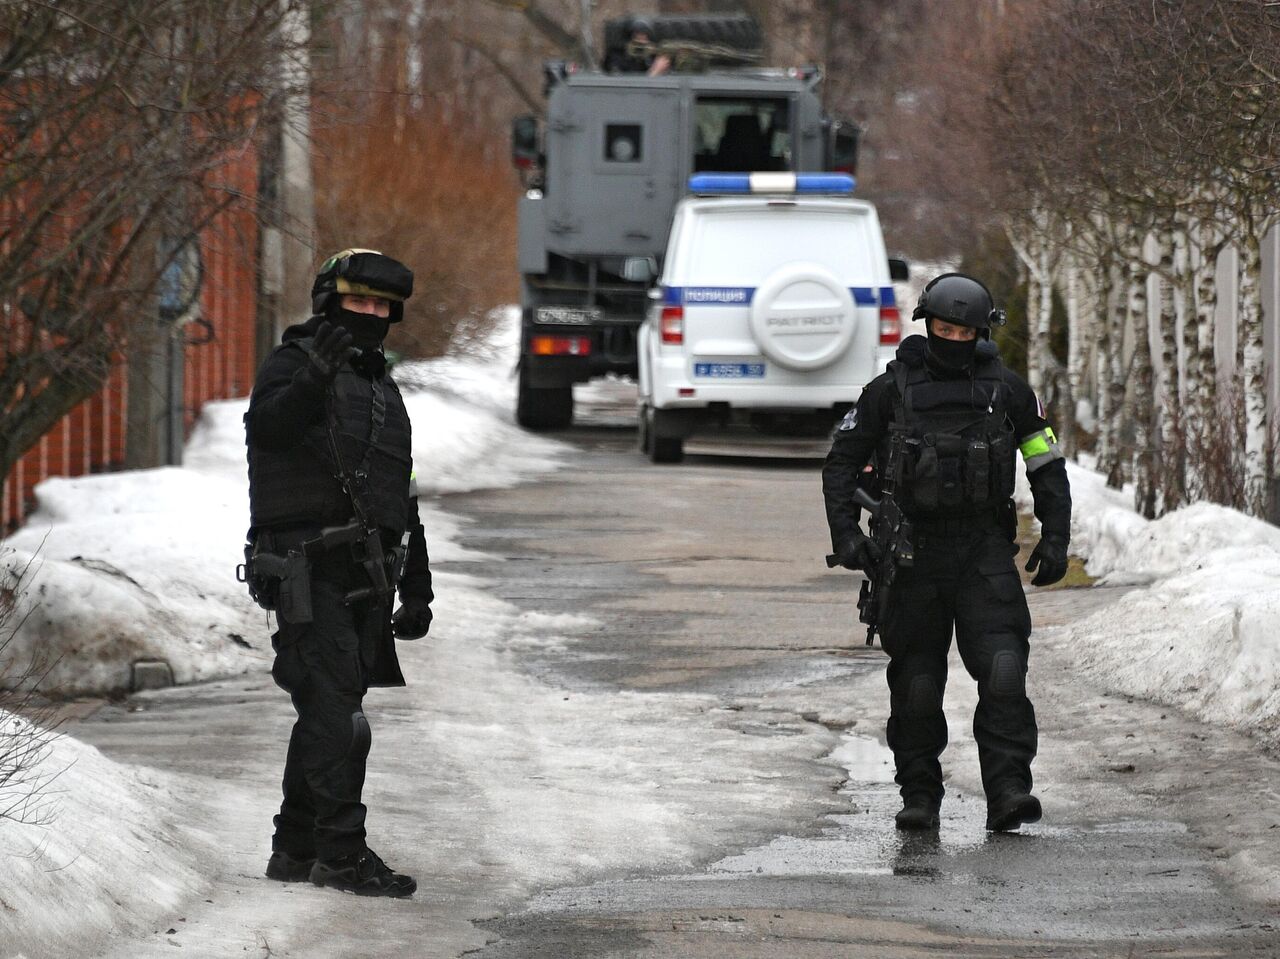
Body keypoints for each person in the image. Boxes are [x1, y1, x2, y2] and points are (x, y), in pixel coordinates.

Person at [822, 272, 1071, 833]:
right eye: (944, 328)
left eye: (966, 330)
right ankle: (919, 795)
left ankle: (1008, 791)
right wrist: (847, 535)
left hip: (982, 550)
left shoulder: (1007, 390)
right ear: (927, 325)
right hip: (911, 556)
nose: (955, 339)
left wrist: (1056, 534)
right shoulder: (889, 390)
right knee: (916, 684)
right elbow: (841, 464)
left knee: (1004, 671)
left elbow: (1045, 464)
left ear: (982, 333)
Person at [244, 248, 434, 897]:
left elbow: (401, 490)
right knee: (339, 719)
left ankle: (295, 846)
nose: (372, 315)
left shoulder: (380, 383)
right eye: (360, 302)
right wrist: (310, 383)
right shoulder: (296, 362)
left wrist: (417, 587)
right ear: (330, 301)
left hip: (366, 575)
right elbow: (268, 430)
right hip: (308, 569)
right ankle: (341, 853)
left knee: (328, 712)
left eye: (383, 306)